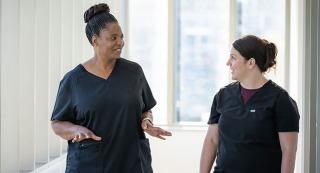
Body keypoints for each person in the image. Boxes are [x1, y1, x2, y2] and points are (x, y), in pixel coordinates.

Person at [50, 3, 172, 173]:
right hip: (89, 165)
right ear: (95, 40)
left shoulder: (134, 72)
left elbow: (146, 109)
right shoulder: (73, 80)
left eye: (121, 37)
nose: (120, 42)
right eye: (113, 38)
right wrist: (76, 129)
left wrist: (147, 121)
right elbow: (57, 123)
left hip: (132, 163)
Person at [200, 35, 300, 173]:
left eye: (233, 57)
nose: (228, 62)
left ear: (251, 63)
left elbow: (289, 150)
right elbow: (211, 140)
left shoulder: (281, 100)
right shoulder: (222, 96)